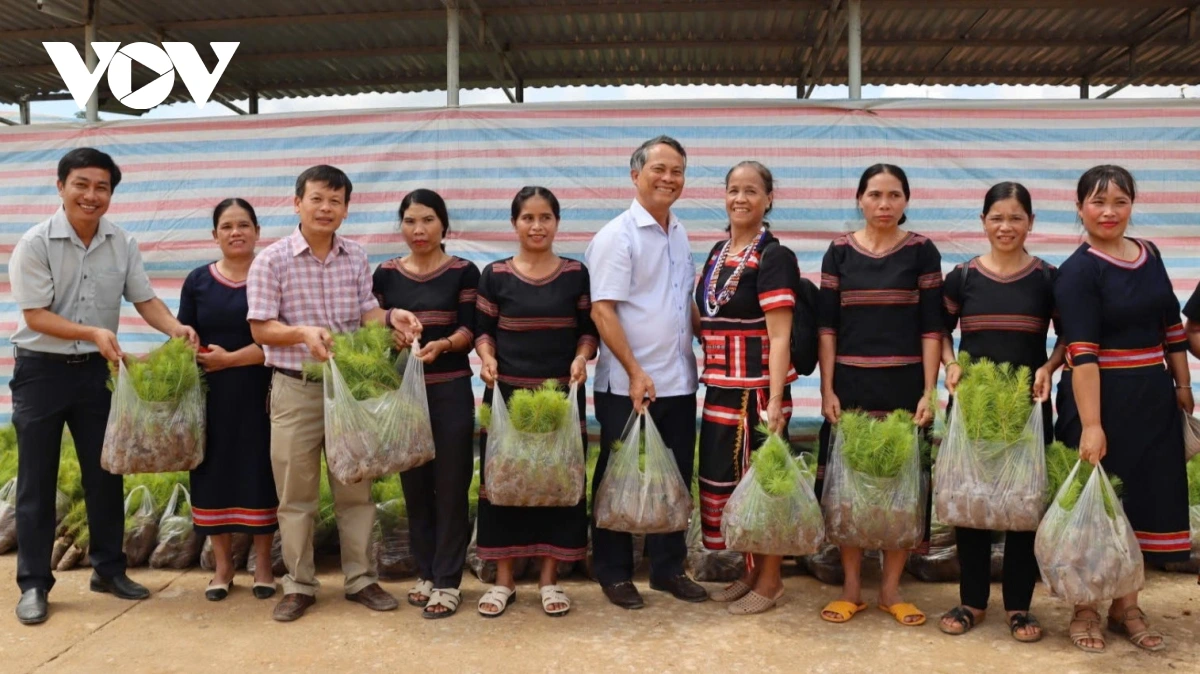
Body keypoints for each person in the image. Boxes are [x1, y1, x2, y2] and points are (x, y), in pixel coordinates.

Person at [9, 148, 199, 625]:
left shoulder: (121, 242)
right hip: (41, 373)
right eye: (82, 184)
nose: (91, 196)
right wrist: (92, 332)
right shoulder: (35, 243)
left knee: (107, 471)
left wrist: (176, 329)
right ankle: (34, 584)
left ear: (111, 194)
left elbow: (145, 299)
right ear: (60, 187)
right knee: (37, 481)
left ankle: (108, 570)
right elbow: (35, 316)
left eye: (102, 188)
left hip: (97, 373)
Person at [246, 165, 422, 623]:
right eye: (318, 199)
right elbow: (261, 327)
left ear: (346, 208)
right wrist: (302, 333)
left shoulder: (355, 256)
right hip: (295, 388)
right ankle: (300, 584)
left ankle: (361, 578)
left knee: (355, 490)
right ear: (297, 203)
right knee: (296, 493)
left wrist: (391, 318)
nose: (326, 208)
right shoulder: (273, 259)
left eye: (336, 201)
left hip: (349, 390)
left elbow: (365, 312)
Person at [1054, 165, 1191, 653]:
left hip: (1150, 399)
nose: (1109, 212)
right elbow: (1083, 353)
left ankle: (1126, 605)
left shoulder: (1149, 254)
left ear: (1132, 205)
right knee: (1097, 507)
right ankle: (1085, 607)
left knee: (1143, 502)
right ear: (1079, 208)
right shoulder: (1077, 271)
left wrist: (1182, 386)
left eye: (1119, 202)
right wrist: (1091, 425)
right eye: (1097, 202)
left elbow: (1171, 324)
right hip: (1097, 398)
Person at [936, 182, 1064, 642]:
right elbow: (939, 331)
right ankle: (971, 600)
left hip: (1027, 409)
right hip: (972, 407)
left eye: (1015, 218)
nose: (1005, 227)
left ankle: (1018, 606)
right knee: (971, 500)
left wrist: (1049, 367)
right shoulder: (964, 277)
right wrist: (951, 364)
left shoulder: (1048, 278)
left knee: (1023, 502)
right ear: (983, 222)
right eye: (996, 218)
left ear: (1031, 222)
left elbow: (1070, 336)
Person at [816, 163, 941, 627]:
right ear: (859, 200)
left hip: (906, 388)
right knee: (849, 489)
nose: (884, 204)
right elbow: (827, 327)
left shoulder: (922, 252)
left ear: (906, 201)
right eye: (874, 195)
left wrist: (930, 390)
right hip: (849, 388)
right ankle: (852, 589)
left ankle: (891, 590)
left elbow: (932, 327)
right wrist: (827, 388)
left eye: (893, 195)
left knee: (900, 489)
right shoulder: (839, 252)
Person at [586, 135, 708, 610]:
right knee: (620, 474)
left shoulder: (679, 231)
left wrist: (711, 338)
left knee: (675, 475)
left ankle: (668, 568)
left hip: (678, 380)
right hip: (629, 385)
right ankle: (613, 571)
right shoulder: (617, 235)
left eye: (677, 170)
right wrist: (635, 372)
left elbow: (684, 302)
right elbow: (603, 312)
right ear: (634, 174)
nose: (668, 178)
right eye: (658, 169)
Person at [474, 186, 596, 618]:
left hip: (560, 398)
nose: (537, 226)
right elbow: (483, 329)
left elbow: (588, 330)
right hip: (507, 396)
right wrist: (486, 358)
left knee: (558, 484)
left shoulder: (575, 274)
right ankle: (503, 580)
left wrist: (582, 357)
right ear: (514, 223)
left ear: (557, 222)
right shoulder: (496, 275)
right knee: (504, 484)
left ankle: (550, 579)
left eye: (545, 217)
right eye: (528, 218)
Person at [696, 161, 801, 614]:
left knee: (765, 484)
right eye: (733, 190)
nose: (741, 198)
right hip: (720, 385)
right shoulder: (719, 251)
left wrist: (775, 401)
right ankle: (749, 570)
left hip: (758, 391)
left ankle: (772, 579)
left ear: (769, 199)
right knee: (728, 481)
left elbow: (779, 336)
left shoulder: (775, 256)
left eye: (752, 191)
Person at [372, 189, 479, 619]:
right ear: (401, 225)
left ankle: (450, 580)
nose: (419, 230)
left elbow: (472, 329)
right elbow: (373, 326)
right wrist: (391, 338)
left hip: (450, 388)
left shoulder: (464, 272)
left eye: (429, 221)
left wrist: (443, 344)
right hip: (404, 395)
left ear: (444, 226)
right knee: (414, 485)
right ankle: (427, 570)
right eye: (411, 221)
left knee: (451, 485)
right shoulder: (385, 275)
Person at [178, 199, 278, 602]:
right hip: (210, 397)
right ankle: (223, 567)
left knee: (261, 472)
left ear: (257, 231)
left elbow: (279, 340)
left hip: (262, 393)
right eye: (226, 226)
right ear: (214, 234)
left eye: (243, 225)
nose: (235, 232)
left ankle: (265, 565)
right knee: (212, 474)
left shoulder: (272, 275)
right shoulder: (197, 281)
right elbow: (186, 335)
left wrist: (231, 360)